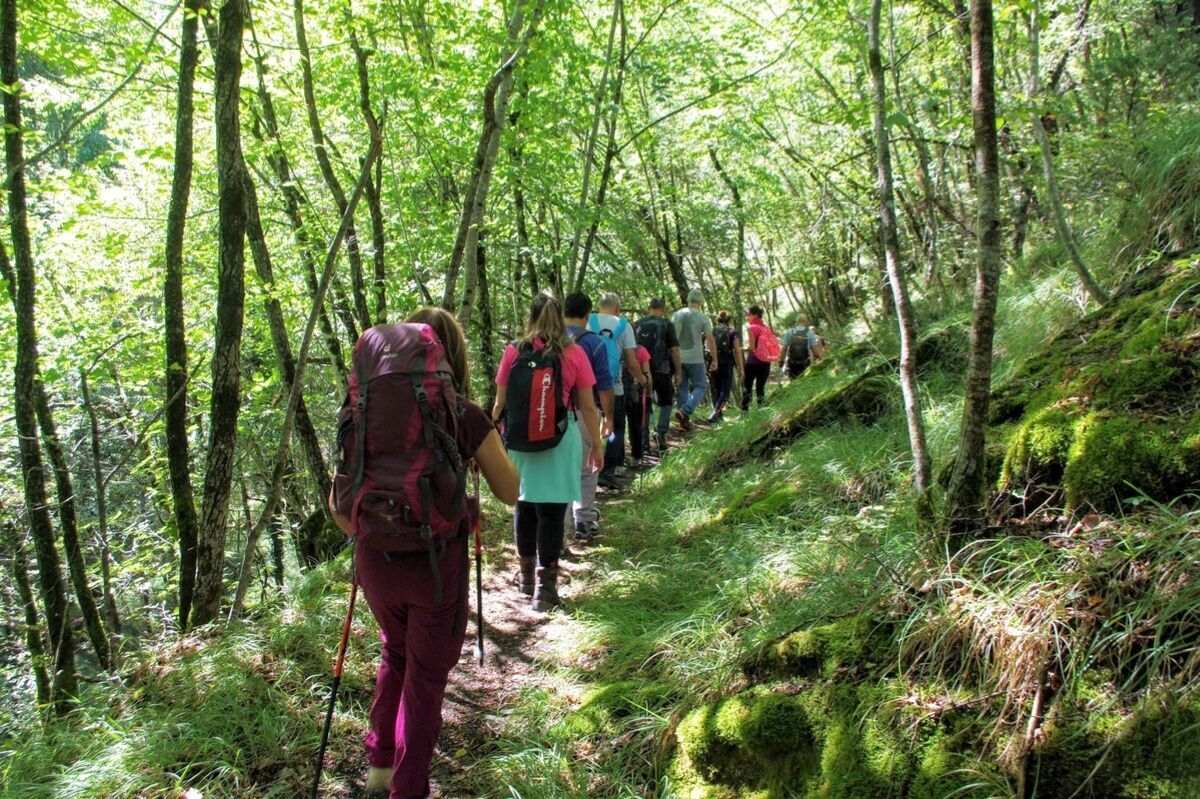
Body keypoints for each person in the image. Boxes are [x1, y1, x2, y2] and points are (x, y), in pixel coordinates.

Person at [328, 307, 520, 799]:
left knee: (395, 650)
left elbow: (338, 508)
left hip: (374, 562)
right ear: (446, 357)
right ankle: (408, 789)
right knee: (427, 678)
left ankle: (379, 767)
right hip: (436, 568)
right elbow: (510, 491)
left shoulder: (363, 413)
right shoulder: (462, 414)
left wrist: (381, 524)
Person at [492, 292, 603, 611]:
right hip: (560, 436)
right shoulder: (574, 353)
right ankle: (546, 591)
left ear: (531, 316)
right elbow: (587, 407)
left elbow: (500, 402)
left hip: (520, 439)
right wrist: (596, 444)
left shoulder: (513, 351)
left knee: (524, 506)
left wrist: (495, 436)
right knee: (552, 513)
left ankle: (526, 578)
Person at [563, 292, 613, 543]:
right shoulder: (594, 343)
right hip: (584, 412)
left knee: (560, 470)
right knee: (588, 467)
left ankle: (558, 530)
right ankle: (583, 520)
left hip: (552, 414)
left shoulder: (550, 339)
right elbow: (604, 384)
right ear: (587, 315)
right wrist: (608, 417)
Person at [590, 292, 644, 485]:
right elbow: (631, 361)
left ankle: (586, 469)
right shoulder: (623, 325)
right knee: (616, 427)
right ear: (618, 308)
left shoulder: (588, 321)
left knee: (587, 425)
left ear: (598, 307)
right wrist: (641, 378)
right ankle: (607, 470)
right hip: (614, 385)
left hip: (587, 385)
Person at [634, 297, 682, 454]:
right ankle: (660, 433)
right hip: (662, 370)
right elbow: (674, 350)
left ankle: (644, 442)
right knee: (667, 402)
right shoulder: (666, 324)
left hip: (642, 371)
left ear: (649, 308)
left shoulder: (637, 324)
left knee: (645, 405)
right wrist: (678, 372)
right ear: (663, 309)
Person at [672, 288, 717, 431]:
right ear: (700, 302)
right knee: (701, 386)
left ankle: (683, 422)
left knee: (682, 387)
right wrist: (715, 358)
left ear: (688, 300)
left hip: (678, 357)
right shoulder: (703, 317)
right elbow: (710, 339)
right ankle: (686, 410)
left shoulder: (676, 315)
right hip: (695, 357)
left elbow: (670, 336)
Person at [707, 310, 744, 424]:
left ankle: (718, 416)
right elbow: (737, 350)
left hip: (713, 361)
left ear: (717, 320)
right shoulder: (732, 331)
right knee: (725, 391)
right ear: (729, 320)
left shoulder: (711, 331)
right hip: (727, 362)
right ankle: (716, 412)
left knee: (716, 389)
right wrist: (741, 367)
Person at [741, 305, 776, 411]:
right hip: (765, 362)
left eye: (748, 314)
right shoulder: (766, 327)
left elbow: (751, 347)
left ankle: (744, 412)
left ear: (755, 315)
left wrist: (738, 349)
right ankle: (761, 410)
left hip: (752, 362)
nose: (746, 317)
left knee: (747, 388)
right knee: (760, 388)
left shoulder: (751, 328)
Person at [625, 343, 652, 465]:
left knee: (617, 427)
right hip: (637, 392)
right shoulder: (641, 350)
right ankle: (636, 456)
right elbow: (647, 373)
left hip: (619, 390)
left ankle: (617, 461)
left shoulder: (617, 348)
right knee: (636, 424)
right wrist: (649, 391)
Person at [781, 315, 822, 379]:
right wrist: (819, 358)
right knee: (806, 380)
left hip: (792, 364)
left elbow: (784, 349)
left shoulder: (789, 332)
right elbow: (815, 350)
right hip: (805, 363)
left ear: (797, 322)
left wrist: (781, 361)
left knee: (794, 382)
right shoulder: (810, 332)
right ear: (806, 322)